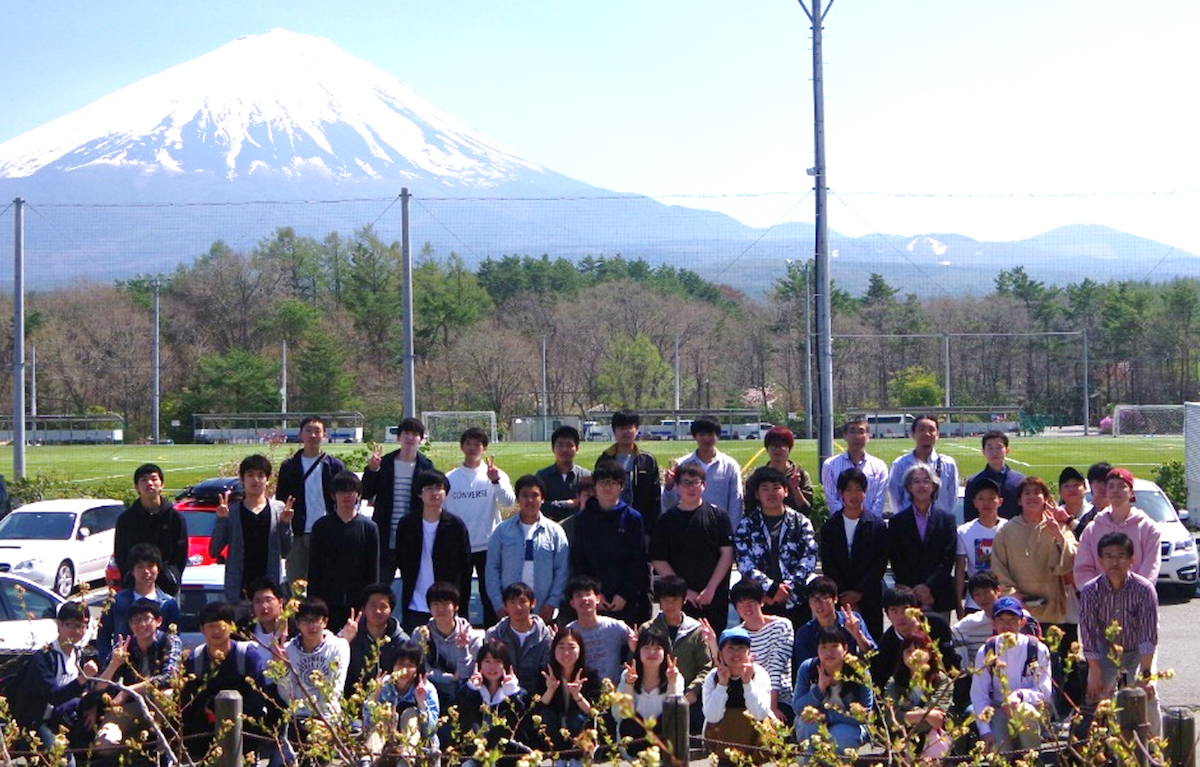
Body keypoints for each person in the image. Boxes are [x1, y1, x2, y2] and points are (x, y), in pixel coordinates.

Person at [7, 601, 123, 763]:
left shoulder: (78, 654)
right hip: (39, 723)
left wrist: (93, 705)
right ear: (59, 625)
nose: (76, 631)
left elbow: (88, 691)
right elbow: (53, 696)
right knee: (66, 762)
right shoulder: (45, 657)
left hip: (67, 720)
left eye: (81, 626)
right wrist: (82, 678)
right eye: (71, 625)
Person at [180, 602, 285, 762]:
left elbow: (257, 697)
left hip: (244, 728)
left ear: (232, 627)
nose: (216, 631)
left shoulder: (247, 655)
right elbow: (189, 702)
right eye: (211, 626)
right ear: (202, 629)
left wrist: (232, 718)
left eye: (221, 626)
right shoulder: (196, 659)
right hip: (205, 731)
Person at [1079, 532, 1161, 736]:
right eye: (1108, 556)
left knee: (1146, 696)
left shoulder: (1144, 589)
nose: (1115, 561)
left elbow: (1148, 635)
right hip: (1104, 652)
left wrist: (1146, 674)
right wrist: (1095, 671)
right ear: (1100, 560)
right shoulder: (1090, 590)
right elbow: (1089, 634)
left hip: (1137, 651)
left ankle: (1153, 749)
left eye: (1120, 555)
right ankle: (1097, 749)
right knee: (1096, 697)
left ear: (1131, 560)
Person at [650, 462, 735, 632]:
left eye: (696, 482)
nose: (691, 488)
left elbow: (727, 554)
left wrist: (710, 589)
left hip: (714, 597)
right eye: (686, 483)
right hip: (679, 601)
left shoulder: (719, 516)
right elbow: (658, 559)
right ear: (677, 487)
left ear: (704, 485)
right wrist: (684, 591)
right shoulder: (666, 520)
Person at [444, 426, 515, 628]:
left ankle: (492, 640)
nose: (473, 448)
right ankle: (462, 639)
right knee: (461, 597)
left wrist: (496, 482)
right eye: (469, 443)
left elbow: (509, 502)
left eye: (478, 444)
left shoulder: (494, 474)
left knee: (490, 597)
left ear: (484, 448)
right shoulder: (451, 478)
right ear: (462, 447)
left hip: (489, 547)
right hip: (460, 548)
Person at [91, 599, 183, 754]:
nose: (141, 625)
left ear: (158, 621)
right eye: (136, 620)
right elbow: (99, 687)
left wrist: (127, 690)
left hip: (157, 705)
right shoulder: (124, 646)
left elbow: (169, 677)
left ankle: (158, 746)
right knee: (103, 744)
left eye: (146, 619)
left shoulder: (169, 640)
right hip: (129, 707)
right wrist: (114, 664)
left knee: (166, 694)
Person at [734, 466, 818, 626]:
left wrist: (788, 588)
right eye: (765, 489)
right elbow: (744, 563)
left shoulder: (800, 522)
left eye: (776, 488)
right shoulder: (747, 525)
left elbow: (809, 557)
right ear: (757, 495)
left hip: (795, 601)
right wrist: (771, 589)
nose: (771, 493)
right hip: (759, 602)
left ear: (786, 491)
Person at [970, 596, 1053, 754]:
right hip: (999, 709)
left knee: (1024, 711)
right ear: (993, 623)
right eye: (1001, 619)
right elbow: (978, 694)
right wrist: (985, 731)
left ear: (1021, 622)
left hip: (1031, 709)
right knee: (1001, 757)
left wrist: (1020, 696)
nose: (1006, 626)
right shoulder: (987, 651)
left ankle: (1032, 757)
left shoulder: (1037, 649)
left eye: (1012, 619)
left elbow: (1045, 691)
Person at [992, 476, 1077, 627]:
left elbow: (1073, 560)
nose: (1032, 497)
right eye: (1027, 493)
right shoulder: (1006, 531)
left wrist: (1058, 535)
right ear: (1019, 500)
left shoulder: (1059, 527)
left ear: (1045, 498)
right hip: (1018, 613)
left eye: (1037, 492)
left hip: (1053, 611)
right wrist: (1012, 595)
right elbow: (998, 567)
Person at [571, 461, 649, 624]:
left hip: (625, 600)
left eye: (613, 483)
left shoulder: (632, 518)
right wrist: (595, 594)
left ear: (621, 487)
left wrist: (625, 594)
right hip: (594, 600)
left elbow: (638, 561)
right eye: (603, 483)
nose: (607, 488)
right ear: (595, 486)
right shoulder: (583, 519)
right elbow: (579, 560)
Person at [210, 454, 294, 604]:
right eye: (250, 475)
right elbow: (214, 550)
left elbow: (286, 550)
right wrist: (221, 520)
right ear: (242, 479)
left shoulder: (279, 509)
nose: (256, 480)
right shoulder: (233, 511)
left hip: (270, 592)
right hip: (240, 592)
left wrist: (285, 524)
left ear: (267, 480)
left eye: (260, 475)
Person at [486, 474, 570, 624]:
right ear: (518, 499)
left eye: (535, 495)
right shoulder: (501, 531)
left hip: (545, 610)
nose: (529, 500)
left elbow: (562, 570)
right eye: (524, 495)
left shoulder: (555, 532)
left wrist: (552, 602)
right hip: (509, 612)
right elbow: (492, 568)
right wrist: (499, 604)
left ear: (542, 499)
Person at [396, 469, 473, 632]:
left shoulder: (456, 526)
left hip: (446, 606)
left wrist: (462, 608)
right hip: (415, 604)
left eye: (439, 487)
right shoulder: (407, 524)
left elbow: (465, 569)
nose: (434, 493)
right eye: (428, 488)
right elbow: (401, 561)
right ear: (419, 494)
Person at [818, 467, 889, 641]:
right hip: (839, 599)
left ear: (865, 493)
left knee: (871, 645)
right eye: (848, 490)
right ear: (841, 493)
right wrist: (844, 595)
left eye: (858, 489)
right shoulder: (830, 527)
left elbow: (879, 563)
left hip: (869, 597)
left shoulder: (877, 525)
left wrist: (859, 592)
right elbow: (829, 564)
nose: (854, 495)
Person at [364, 416, 435, 584]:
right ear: (399, 437)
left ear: (421, 439)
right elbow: (366, 492)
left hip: (412, 536)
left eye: (415, 434)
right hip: (385, 534)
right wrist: (372, 470)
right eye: (406, 433)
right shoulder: (385, 463)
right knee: (380, 586)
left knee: (413, 586)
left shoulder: (426, 467)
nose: (410, 438)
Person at [277, 416, 346, 586]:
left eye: (317, 431)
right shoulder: (289, 466)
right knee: (297, 586)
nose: (313, 435)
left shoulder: (334, 466)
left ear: (324, 435)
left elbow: (346, 497)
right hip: (297, 534)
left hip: (326, 532)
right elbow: (280, 499)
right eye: (308, 431)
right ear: (300, 435)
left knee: (327, 582)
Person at [308, 470, 380, 632]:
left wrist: (370, 604)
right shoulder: (321, 526)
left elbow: (373, 569)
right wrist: (313, 603)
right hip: (327, 602)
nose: (346, 496)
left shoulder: (369, 528)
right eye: (341, 491)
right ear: (333, 495)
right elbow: (314, 568)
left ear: (358, 494)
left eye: (351, 491)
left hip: (358, 603)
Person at [640, 575, 713, 734]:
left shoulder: (696, 630)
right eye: (666, 600)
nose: (670, 605)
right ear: (659, 601)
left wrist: (694, 690)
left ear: (684, 600)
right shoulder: (647, 629)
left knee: (696, 723)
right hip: (656, 694)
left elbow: (705, 667)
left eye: (675, 600)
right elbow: (636, 664)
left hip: (688, 696)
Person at [887, 463, 958, 620]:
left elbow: (947, 560)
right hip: (909, 598)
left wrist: (929, 588)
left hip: (938, 595)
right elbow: (897, 561)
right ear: (909, 487)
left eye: (926, 480)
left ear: (933, 486)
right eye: (916, 481)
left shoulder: (947, 520)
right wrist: (917, 590)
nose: (922, 485)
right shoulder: (897, 522)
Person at [792, 626, 873, 761]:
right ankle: (809, 762)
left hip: (849, 725)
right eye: (823, 647)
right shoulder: (808, 668)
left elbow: (865, 715)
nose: (829, 652)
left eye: (834, 646)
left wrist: (828, 716)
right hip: (815, 721)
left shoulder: (858, 670)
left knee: (839, 736)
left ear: (845, 648)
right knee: (807, 723)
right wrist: (818, 690)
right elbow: (797, 707)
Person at [95, 543, 182, 664]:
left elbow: (174, 639)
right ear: (132, 571)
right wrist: (109, 663)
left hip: (156, 669)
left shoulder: (168, 604)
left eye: (151, 566)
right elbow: (103, 635)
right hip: (122, 666)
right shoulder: (117, 601)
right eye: (140, 567)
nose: (146, 571)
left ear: (158, 569)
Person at [1074, 467, 1161, 587]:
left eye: (1121, 486)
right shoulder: (1092, 530)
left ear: (1131, 492)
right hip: (1100, 600)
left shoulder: (1148, 529)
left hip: (1137, 600)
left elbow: (1151, 567)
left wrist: (1135, 592)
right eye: (1111, 486)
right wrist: (1096, 591)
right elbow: (1083, 568)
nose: (1115, 490)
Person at [279, 597, 351, 743]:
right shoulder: (287, 650)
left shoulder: (339, 647)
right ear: (298, 624)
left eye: (316, 620)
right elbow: (286, 694)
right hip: (298, 716)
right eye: (305, 621)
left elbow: (336, 687)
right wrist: (282, 669)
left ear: (325, 622)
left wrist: (324, 721)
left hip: (328, 716)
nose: (311, 626)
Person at [701, 627, 776, 767]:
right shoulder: (712, 677)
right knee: (731, 717)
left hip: (755, 738)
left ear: (749, 653)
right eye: (730, 648)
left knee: (746, 718)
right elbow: (712, 717)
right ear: (721, 653)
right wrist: (722, 685)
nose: (736, 653)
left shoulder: (760, 674)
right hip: (723, 737)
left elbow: (760, 713)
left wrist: (748, 683)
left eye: (741, 648)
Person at [726, 579, 795, 723]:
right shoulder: (735, 633)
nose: (747, 608)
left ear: (762, 601)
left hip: (779, 698)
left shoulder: (782, 626)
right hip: (746, 695)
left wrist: (772, 708)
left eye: (751, 602)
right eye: (741, 603)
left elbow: (776, 666)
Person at [114, 463, 187, 595]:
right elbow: (120, 553)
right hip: (134, 587)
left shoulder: (175, 518)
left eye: (154, 479)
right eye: (144, 480)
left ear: (162, 484)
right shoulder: (126, 519)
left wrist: (171, 576)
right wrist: (130, 576)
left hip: (166, 588)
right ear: (137, 487)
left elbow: (180, 554)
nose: (149, 483)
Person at [363, 640, 440, 763]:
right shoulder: (384, 685)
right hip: (386, 741)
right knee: (383, 717)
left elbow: (430, 731)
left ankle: (406, 759)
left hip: (417, 745)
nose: (404, 670)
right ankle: (368, 760)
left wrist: (421, 702)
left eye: (410, 665)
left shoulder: (427, 689)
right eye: (400, 664)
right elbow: (367, 724)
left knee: (411, 714)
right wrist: (374, 696)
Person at [883, 630, 954, 762]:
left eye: (920, 650)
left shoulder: (941, 680)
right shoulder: (895, 682)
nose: (914, 656)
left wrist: (908, 716)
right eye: (908, 651)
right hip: (903, 736)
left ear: (930, 654)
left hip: (934, 734)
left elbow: (937, 719)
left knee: (938, 744)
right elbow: (892, 718)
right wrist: (924, 715)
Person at [871, 587, 959, 691]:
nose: (900, 617)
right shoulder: (886, 643)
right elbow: (883, 680)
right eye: (894, 611)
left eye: (905, 610)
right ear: (887, 615)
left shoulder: (937, 625)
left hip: (943, 687)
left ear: (915, 610)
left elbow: (951, 660)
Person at [662, 416, 744, 529]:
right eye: (701, 435)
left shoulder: (730, 466)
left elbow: (736, 502)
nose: (706, 439)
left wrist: (731, 533)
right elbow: (670, 504)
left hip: (719, 529)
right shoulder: (682, 464)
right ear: (695, 436)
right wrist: (669, 486)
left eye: (710, 434)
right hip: (688, 528)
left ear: (717, 436)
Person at [530, 627, 601, 757]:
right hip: (554, 723)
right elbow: (536, 707)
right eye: (561, 647)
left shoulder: (589, 674)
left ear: (580, 649)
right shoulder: (544, 672)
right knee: (546, 717)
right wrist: (550, 690)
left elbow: (594, 711)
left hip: (577, 725)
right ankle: (557, 754)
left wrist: (577, 696)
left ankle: (576, 754)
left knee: (578, 719)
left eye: (571, 647)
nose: (566, 653)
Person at [455, 640, 531, 758]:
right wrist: (471, 688)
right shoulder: (470, 688)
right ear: (479, 664)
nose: (492, 667)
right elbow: (456, 710)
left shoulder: (517, 692)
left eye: (497, 661)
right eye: (487, 661)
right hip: (476, 751)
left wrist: (512, 693)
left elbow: (523, 720)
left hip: (507, 754)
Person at [415, 581, 480, 714]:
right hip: (429, 694)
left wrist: (463, 648)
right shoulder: (421, 634)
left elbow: (467, 674)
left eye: (445, 604)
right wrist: (449, 678)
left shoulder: (472, 636)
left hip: (463, 699)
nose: (440, 609)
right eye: (435, 604)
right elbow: (420, 669)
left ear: (455, 606)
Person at [613, 627, 683, 746]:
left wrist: (671, 683)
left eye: (657, 648)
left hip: (662, 743)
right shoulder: (627, 675)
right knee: (629, 722)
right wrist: (629, 684)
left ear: (665, 653)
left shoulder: (675, 676)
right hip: (633, 741)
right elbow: (619, 716)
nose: (652, 653)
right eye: (646, 648)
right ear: (638, 651)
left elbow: (674, 716)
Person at [340, 582, 411, 697]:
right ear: (363, 609)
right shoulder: (351, 633)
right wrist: (345, 640)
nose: (378, 611)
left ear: (391, 610)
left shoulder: (402, 641)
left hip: (389, 699)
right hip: (354, 697)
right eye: (373, 605)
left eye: (383, 607)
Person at [595, 410, 661, 533]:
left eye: (629, 427)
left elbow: (655, 500)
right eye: (621, 428)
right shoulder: (605, 459)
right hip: (610, 523)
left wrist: (650, 532)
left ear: (636, 429)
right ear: (614, 431)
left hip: (639, 524)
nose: (625, 432)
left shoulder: (647, 460)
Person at [792, 576, 876, 670]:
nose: (818, 604)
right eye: (813, 600)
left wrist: (858, 635)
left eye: (824, 598)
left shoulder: (851, 620)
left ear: (835, 599)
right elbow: (805, 667)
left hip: (852, 675)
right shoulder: (804, 633)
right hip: (820, 679)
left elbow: (871, 654)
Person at [485, 581, 554, 694]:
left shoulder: (546, 636)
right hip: (502, 694)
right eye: (512, 602)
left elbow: (548, 671)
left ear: (533, 603)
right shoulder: (494, 634)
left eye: (522, 601)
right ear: (505, 606)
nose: (518, 607)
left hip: (537, 695)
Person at [565, 576, 635, 686]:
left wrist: (634, 646)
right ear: (572, 603)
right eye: (579, 596)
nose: (584, 599)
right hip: (581, 690)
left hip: (614, 691)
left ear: (598, 599)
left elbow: (639, 648)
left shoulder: (616, 627)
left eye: (588, 594)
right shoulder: (568, 632)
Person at [955, 475, 1007, 616]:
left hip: (1004, 601)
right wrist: (959, 603)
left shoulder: (1009, 528)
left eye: (991, 498)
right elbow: (960, 570)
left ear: (1000, 502)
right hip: (975, 602)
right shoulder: (964, 531)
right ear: (974, 503)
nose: (986, 503)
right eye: (981, 498)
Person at [887, 415, 959, 518]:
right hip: (909, 525)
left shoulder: (948, 464)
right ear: (913, 434)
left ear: (937, 434)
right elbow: (895, 499)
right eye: (921, 430)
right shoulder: (900, 464)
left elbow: (952, 498)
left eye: (931, 430)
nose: (927, 434)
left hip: (939, 525)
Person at [820, 417, 888, 518]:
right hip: (840, 527)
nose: (856, 436)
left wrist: (867, 522)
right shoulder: (830, 465)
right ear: (845, 435)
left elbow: (879, 501)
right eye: (852, 431)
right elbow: (832, 500)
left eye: (861, 432)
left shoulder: (880, 467)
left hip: (870, 527)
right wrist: (848, 520)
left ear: (868, 436)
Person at [744, 425, 813, 516]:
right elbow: (749, 508)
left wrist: (796, 489)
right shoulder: (757, 476)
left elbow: (807, 510)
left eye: (782, 445)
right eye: (773, 445)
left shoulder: (800, 475)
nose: (777, 449)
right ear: (767, 449)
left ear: (789, 448)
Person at [963, 431, 1026, 521]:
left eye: (998, 448)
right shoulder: (974, 482)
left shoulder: (1019, 481)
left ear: (1007, 450)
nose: (994, 452)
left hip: (1014, 533)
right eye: (990, 448)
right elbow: (969, 516)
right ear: (983, 451)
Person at [536, 425, 592, 523]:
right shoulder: (542, 476)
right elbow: (538, 505)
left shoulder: (586, 476)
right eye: (560, 445)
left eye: (569, 445)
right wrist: (566, 504)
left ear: (577, 448)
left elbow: (592, 504)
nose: (564, 449)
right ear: (553, 448)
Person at [243, 578, 293, 647]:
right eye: (258, 602)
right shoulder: (245, 629)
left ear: (280, 602)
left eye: (268, 600)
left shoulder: (295, 630)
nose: (264, 606)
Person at [1058, 466, 1094, 538]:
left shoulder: (1095, 513)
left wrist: (1069, 521)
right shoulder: (1056, 515)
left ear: (1085, 488)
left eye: (1076, 485)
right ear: (1060, 492)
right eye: (1066, 486)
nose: (1071, 489)